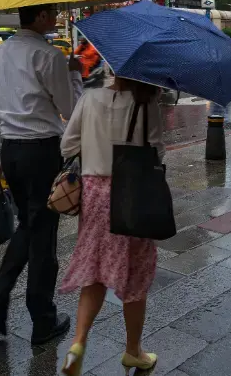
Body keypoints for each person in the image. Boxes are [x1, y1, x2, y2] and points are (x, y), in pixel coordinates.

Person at [0, 4, 83, 346]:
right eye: (51, 12)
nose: (55, 16)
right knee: (43, 236)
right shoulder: (49, 56)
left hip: (10, 150)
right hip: (42, 151)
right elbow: (70, 110)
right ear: (39, 17)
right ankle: (42, 318)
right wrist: (74, 74)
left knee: (29, 224)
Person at [57, 77, 163, 376]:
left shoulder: (89, 98)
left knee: (94, 269)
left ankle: (78, 344)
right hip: (133, 194)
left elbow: (67, 145)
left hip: (93, 193)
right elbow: (156, 152)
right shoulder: (147, 103)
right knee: (135, 274)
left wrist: (93, 146)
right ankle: (133, 351)